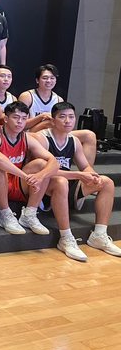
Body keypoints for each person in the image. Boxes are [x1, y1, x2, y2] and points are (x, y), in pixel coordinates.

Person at [33, 102, 121, 258]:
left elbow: (85, 166)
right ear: (53, 120)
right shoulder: (42, 138)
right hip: (45, 187)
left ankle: (99, 235)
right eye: (62, 117)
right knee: (60, 181)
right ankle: (65, 238)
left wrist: (92, 176)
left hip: (67, 183)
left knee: (106, 182)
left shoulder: (73, 140)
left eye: (71, 117)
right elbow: (44, 171)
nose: (68, 121)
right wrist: (79, 175)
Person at [0, 102, 64, 240]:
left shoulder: (26, 137)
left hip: (15, 182)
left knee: (41, 165)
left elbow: (54, 162)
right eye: (16, 117)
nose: (20, 122)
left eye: (23, 118)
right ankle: (5, 214)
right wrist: (24, 176)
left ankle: (30, 214)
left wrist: (40, 177)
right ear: (6, 119)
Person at [19, 64, 97, 165]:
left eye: (52, 78)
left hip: (56, 133)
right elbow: (20, 124)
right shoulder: (27, 96)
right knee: (49, 123)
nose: (49, 81)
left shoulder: (58, 99)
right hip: (32, 133)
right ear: (37, 80)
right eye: (45, 78)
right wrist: (41, 117)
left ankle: (87, 172)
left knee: (89, 135)